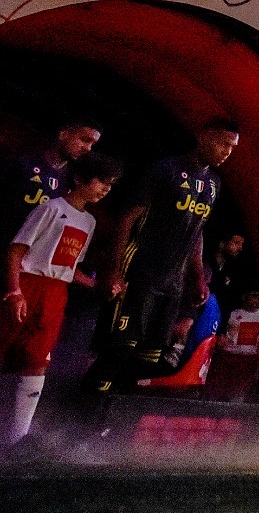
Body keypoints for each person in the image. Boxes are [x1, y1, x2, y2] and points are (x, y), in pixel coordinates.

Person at [85, 119, 240, 433]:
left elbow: (197, 230)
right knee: (117, 350)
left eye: (232, 148)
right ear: (203, 136)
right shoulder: (165, 169)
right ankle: (76, 424)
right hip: (140, 271)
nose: (227, 152)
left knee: (150, 358)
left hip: (173, 282)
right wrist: (113, 269)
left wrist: (198, 275)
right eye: (223, 143)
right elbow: (128, 217)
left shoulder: (214, 184)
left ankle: (109, 428)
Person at [1, 153, 117, 445]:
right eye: (102, 181)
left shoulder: (89, 221)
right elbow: (16, 251)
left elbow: (70, 267)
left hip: (56, 293)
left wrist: (99, 286)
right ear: (80, 179)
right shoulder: (50, 209)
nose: (106, 188)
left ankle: (18, 438)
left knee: (38, 361)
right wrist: (15, 291)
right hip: (29, 285)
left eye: (111, 184)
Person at [1, 116, 101, 248]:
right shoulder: (22, 163)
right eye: (84, 140)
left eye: (92, 144)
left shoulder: (72, 181)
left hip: (28, 253)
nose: (88, 148)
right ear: (63, 134)